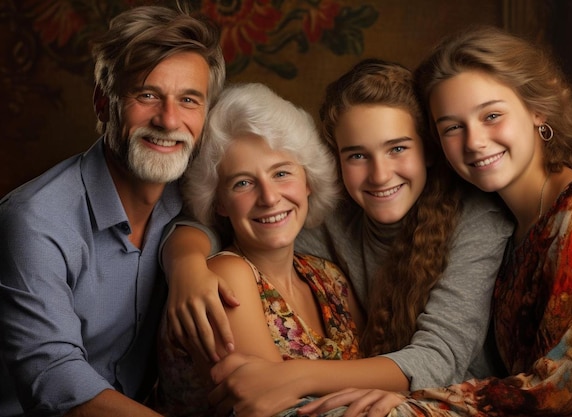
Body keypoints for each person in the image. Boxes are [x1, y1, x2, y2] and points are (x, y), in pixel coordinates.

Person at [303, 25, 572, 417]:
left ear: (537, 108)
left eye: (491, 115)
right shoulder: (514, 217)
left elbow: (570, 386)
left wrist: (423, 401)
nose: (473, 141)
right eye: (453, 127)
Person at [160, 59, 513, 417]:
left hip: (458, 395)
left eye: (398, 148)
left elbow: (438, 357)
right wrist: (185, 262)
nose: (379, 174)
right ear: (336, 164)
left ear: (428, 150)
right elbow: (220, 225)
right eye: (357, 155)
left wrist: (296, 376)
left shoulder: (472, 217)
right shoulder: (329, 220)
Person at [0, 5, 225, 417]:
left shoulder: (190, 192)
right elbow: (55, 382)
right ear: (104, 105)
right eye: (147, 95)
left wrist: (187, 260)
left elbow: (236, 220)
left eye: (189, 100)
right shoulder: (34, 221)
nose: (169, 119)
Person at [155, 82, 362, 417]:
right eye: (243, 183)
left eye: (281, 173)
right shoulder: (226, 277)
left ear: (308, 181)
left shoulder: (329, 278)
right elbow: (276, 409)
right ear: (219, 202)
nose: (269, 198)